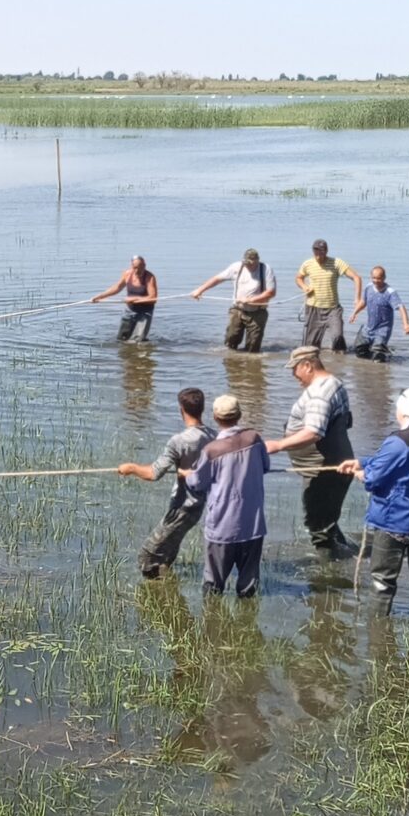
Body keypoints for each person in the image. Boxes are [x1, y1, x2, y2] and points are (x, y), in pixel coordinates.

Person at [339, 387, 409, 615]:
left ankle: (378, 634)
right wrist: (362, 462)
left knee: (382, 582)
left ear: (404, 410)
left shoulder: (397, 442)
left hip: (395, 522)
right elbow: (396, 462)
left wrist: (361, 473)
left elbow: (373, 479)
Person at [265, 345, 357, 557]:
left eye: (294, 369)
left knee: (318, 526)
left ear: (307, 365)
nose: (293, 375)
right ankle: (347, 555)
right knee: (327, 520)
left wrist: (278, 445)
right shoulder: (334, 383)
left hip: (323, 470)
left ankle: (328, 574)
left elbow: (313, 432)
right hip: (337, 464)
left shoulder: (318, 395)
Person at [116, 385, 212, 578]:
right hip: (199, 505)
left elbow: (153, 473)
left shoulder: (179, 441)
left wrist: (131, 468)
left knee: (147, 555)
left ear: (181, 410)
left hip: (181, 507)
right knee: (168, 550)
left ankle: (157, 595)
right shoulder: (213, 435)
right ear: (202, 408)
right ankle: (166, 587)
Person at [184, 394, 273, 597]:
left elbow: (197, 484)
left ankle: (213, 625)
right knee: (249, 589)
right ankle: (247, 624)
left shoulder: (211, 450)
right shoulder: (255, 438)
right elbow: (266, 466)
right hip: (253, 525)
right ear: (239, 414)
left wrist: (188, 474)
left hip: (222, 528)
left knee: (213, 588)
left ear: (215, 417)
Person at [192, 248, 276, 353]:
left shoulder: (266, 269)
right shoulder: (236, 267)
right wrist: (200, 290)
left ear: (257, 261)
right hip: (238, 309)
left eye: (251, 263)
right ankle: (232, 364)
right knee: (231, 340)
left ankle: (250, 364)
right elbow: (217, 279)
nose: (248, 265)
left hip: (258, 312)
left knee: (253, 347)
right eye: (246, 263)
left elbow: (271, 293)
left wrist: (251, 300)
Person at [294, 239, 361, 352]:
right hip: (313, 308)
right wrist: (305, 287)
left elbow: (356, 278)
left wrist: (357, 298)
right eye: (316, 251)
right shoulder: (307, 264)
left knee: (337, 336)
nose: (318, 255)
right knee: (310, 347)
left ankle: (339, 361)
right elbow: (298, 278)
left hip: (333, 308)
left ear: (326, 251)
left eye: (321, 251)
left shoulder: (337, 263)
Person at [348, 265, 409, 361]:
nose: (376, 281)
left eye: (379, 278)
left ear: (384, 278)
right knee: (359, 351)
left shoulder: (390, 293)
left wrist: (406, 324)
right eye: (374, 278)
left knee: (378, 357)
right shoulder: (369, 287)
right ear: (371, 277)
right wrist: (354, 313)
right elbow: (363, 302)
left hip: (382, 330)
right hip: (369, 327)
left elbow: (401, 307)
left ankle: (383, 354)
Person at [90, 256, 159, 342]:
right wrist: (99, 297)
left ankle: (138, 352)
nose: (137, 271)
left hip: (145, 312)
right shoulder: (127, 274)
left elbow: (153, 299)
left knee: (138, 340)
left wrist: (134, 298)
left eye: (140, 268)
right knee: (122, 338)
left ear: (144, 266)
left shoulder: (149, 277)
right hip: (129, 310)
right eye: (135, 268)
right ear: (131, 266)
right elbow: (117, 288)